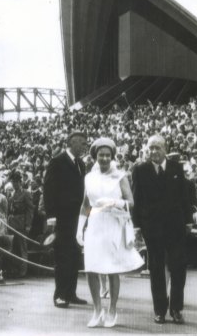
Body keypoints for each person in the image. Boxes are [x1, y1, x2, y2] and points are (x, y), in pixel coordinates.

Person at [78, 137, 143, 328]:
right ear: (95, 157)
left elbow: (131, 201)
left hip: (114, 224)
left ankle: (112, 310)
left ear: (112, 156)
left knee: (112, 269)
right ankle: (97, 311)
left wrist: (115, 202)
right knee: (91, 268)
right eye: (101, 155)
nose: (104, 158)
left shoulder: (120, 176)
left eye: (107, 155)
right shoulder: (89, 177)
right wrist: (79, 229)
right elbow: (85, 206)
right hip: (95, 224)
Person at [132, 134, 192, 325]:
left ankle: (176, 309)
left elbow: (185, 197)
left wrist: (188, 221)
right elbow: (136, 199)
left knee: (178, 268)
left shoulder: (176, 168)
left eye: (157, 147)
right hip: (152, 228)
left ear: (165, 149)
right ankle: (160, 310)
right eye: (150, 148)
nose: (154, 151)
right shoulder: (140, 170)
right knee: (156, 270)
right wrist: (137, 226)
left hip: (175, 227)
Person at [43, 131, 87, 308]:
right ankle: (60, 295)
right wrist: (51, 217)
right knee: (62, 257)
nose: (85, 146)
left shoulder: (81, 164)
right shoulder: (57, 161)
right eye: (83, 143)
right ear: (73, 143)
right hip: (62, 217)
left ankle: (71, 293)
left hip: (77, 218)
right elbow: (49, 189)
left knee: (75, 256)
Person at [7, 171, 34, 278]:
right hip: (11, 223)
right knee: (12, 246)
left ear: (20, 182)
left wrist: (28, 225)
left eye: (16, 182)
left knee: (23, 247)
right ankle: (13, 269)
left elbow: (30, 210)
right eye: (13, 182)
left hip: (21, 222)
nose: (14, 184)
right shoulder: (11, 194)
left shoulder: (26, 193)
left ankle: (23, 270)